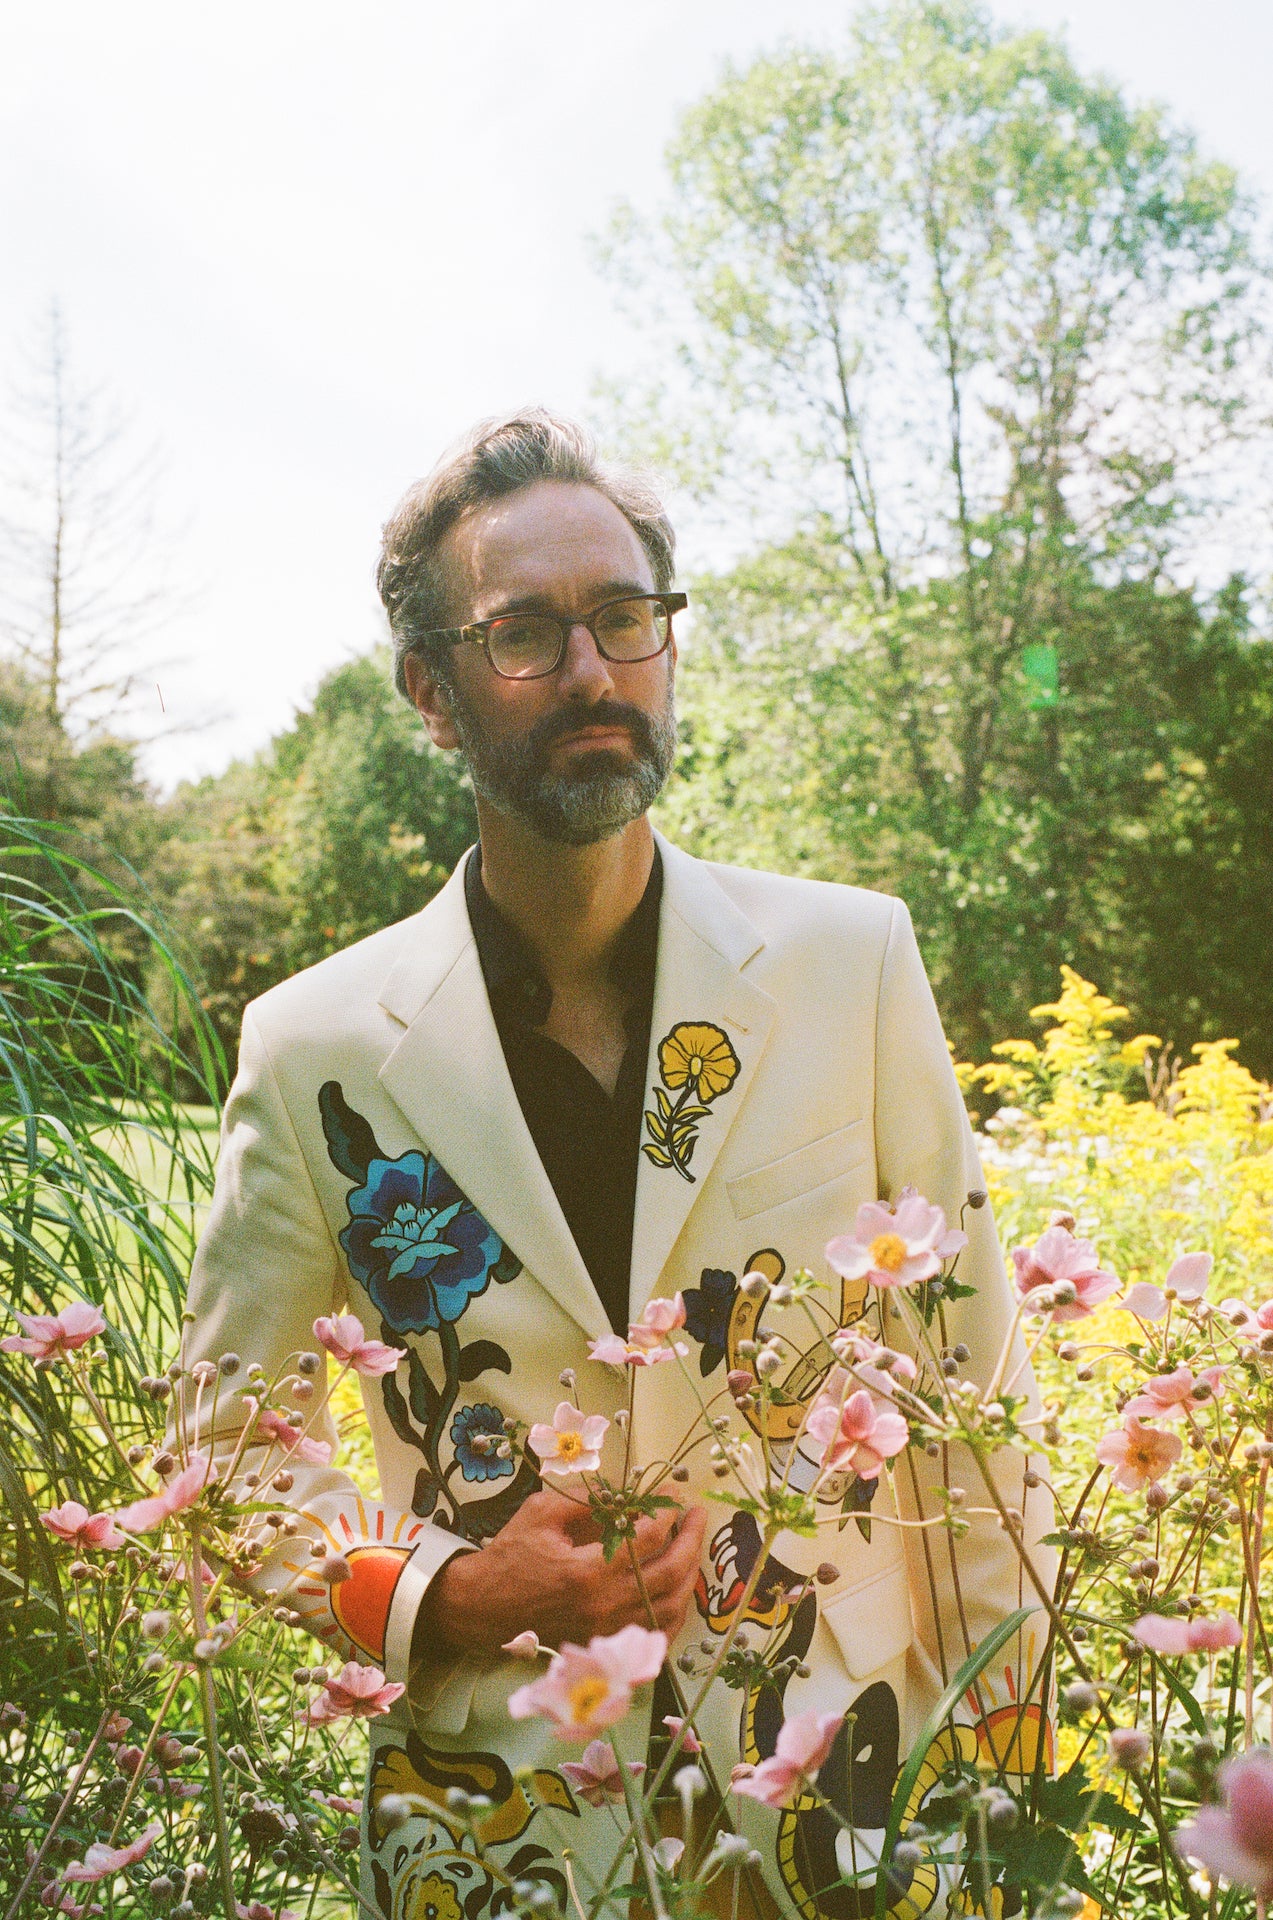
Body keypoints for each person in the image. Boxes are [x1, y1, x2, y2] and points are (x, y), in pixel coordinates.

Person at [181, 409, 1052, 1920]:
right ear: (430, 693)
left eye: (623, 618)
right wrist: (438, 1595)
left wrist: (1014, 1764)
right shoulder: (313, 1044)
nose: (589, 670)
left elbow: (968, 1381)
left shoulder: (852, 963)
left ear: (665, 644)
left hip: (847, 1791)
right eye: (521, 632)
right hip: (493, 1818)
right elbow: (213, 1463)